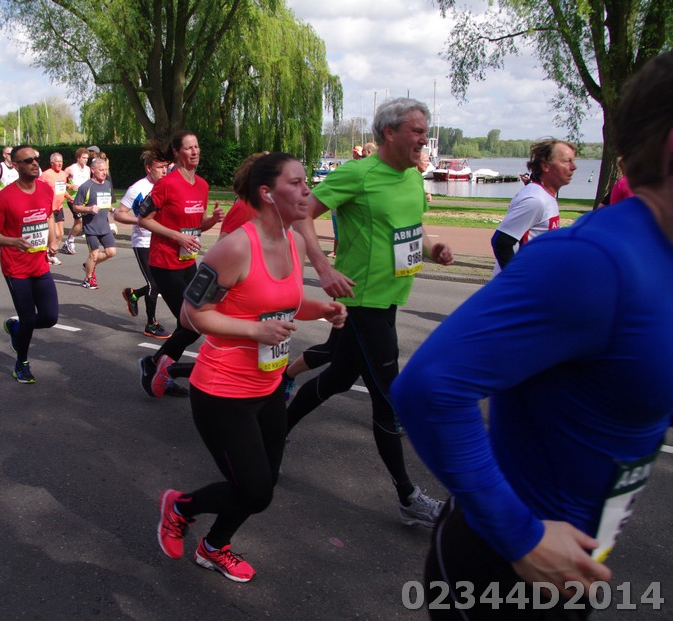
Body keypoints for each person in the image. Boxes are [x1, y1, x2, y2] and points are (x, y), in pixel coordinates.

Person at [391, 51, 673, 619]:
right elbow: (428, 388)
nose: (572, 167)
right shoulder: (596, 262)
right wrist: (521, 537)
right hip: (504, 569)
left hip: (577, 568)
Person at [156, 152, 347, 583]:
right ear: (267, 193)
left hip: (268, 387)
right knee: (255, 491)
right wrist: (253, 331)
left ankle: (213, 546)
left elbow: (284, 303)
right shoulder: (236, 247)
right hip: (222, 392)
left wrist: (323, 309)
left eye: (306, 182)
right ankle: (180, 507)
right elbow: (190, 314)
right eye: (296, 183)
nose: (307, 191)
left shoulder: (295, 243)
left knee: (263, 484)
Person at [287, 98, 454, 528]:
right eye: (417, 131)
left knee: (339, 377)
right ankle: (408, 497)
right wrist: (323, 268)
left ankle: (274, 430)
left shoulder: (412, 177)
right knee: (388, 400)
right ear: (389, 133)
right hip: (363, 302)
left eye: (425, 131)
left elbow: (414, 230)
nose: (424, 139)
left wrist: (434, 247)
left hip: (391, 296)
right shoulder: (358, 174)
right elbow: (302, 215)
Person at [137, 130, 224, 397]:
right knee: (193, 323)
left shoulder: (202, 185)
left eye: (196, 147)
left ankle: (157, 368)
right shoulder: (166, 184)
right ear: (177, 152)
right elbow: (144, 219)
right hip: (164, 263)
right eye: (188, 148)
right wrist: (176, 236)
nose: (194, 151)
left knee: (189, 323)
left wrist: (211, 221)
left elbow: (195, 225)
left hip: (188, 263)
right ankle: (158, 367)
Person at [0, 145, 59, 384]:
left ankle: (15, 328)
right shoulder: (6, 196)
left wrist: (52, 240)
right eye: (28, 161)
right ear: (16, 166)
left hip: (40, 265)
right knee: (28, 318)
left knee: (50, 317)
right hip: (16, 268)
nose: (35, 163)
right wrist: (13, 241)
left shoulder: (45, 189)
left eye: (36, 159)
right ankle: (21, 364)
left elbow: (48, 215)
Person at [491, 139, 576, 274]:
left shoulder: (547, 196)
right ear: (546, 166)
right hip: (520, 284)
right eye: (566, 161)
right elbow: (502, 242)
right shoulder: (535, 200)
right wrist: (518, 279)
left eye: (573, 161)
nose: (573, 167)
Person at [114, 143, 171, 338]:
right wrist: (140, 221)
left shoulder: (168, 186)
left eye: (166, 167)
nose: (164, 171)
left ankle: (134, 294)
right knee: (154, 284)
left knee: (163, 283)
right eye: (160, 167)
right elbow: (119, 214)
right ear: (149, 168)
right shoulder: (137, 188)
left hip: (162, 240)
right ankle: (151, 324)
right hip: (143, 241)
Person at [72, 157, 116, 289]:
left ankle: (89, 265)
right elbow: (76, 207)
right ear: (93, 170)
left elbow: (106, 202)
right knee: (94, 253)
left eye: (105, 170)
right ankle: (88, 279)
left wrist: (112, 209)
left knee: (111, 252)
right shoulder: (86, 186)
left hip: (104, 225)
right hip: (90, 226)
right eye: (101, 170)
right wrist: (89, 209)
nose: (104, 172)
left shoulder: (107, 185)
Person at [38, 153, 70, 265]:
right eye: (57, 161)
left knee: (60, 234)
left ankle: (51, 255)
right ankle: (45, 254)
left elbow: (62, 189)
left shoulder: (63, 174)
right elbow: (37, 188)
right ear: (52, 163)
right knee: (54, 233)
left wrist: (70, 198)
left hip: (59, 207)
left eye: (61, 161)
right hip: (49, 209)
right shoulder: (46, 175)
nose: (60, 163)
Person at [60, 148, 91, 254]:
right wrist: (70, 186)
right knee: (80, 221)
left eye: (87, 158)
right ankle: (70, 241)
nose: (86, 160)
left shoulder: (88, 169)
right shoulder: (70, 169)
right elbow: (60, 182)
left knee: (78, 222)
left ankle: (68, 243)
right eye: (83, 158)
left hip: (84, 199)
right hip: (73, 198)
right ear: (78, 158)